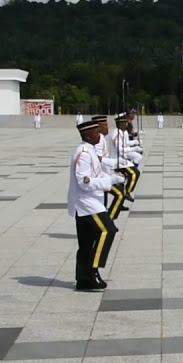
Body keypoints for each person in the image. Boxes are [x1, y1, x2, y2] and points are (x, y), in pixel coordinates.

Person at [69, 119, 123, 291]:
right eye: (95, 133)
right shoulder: (84, 153)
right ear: (87, 135)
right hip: (87, 204)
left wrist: (111, 179)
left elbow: (96, 173)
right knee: (108, 230)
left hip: (92, 201)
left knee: (86, 242)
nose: (98, 135)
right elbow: (84, 182)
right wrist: (109, 182)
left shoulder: (89, 150)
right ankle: (92, 270)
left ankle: (83, 279)